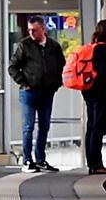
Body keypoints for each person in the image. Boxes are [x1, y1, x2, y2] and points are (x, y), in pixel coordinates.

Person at [8, 14, 66, 172]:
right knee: (28, 126)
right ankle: (27, 160)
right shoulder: (24, 46)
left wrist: (56, 83)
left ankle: (40, 159)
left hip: (47, 91)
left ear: (43, 29)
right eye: (29, 30)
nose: (32, 33)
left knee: (45, 126)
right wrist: (23, 82)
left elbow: (61, 64)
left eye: (34, 30)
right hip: (29, 92)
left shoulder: (53, 46)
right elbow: (12, 67)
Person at [79, 19, 106, 175]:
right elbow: (105, 74)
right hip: (102, 94)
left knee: (92, 127)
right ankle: (96, 164)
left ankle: (92, 163)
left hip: (90, 93)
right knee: (97, 128)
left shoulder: (94, 48)